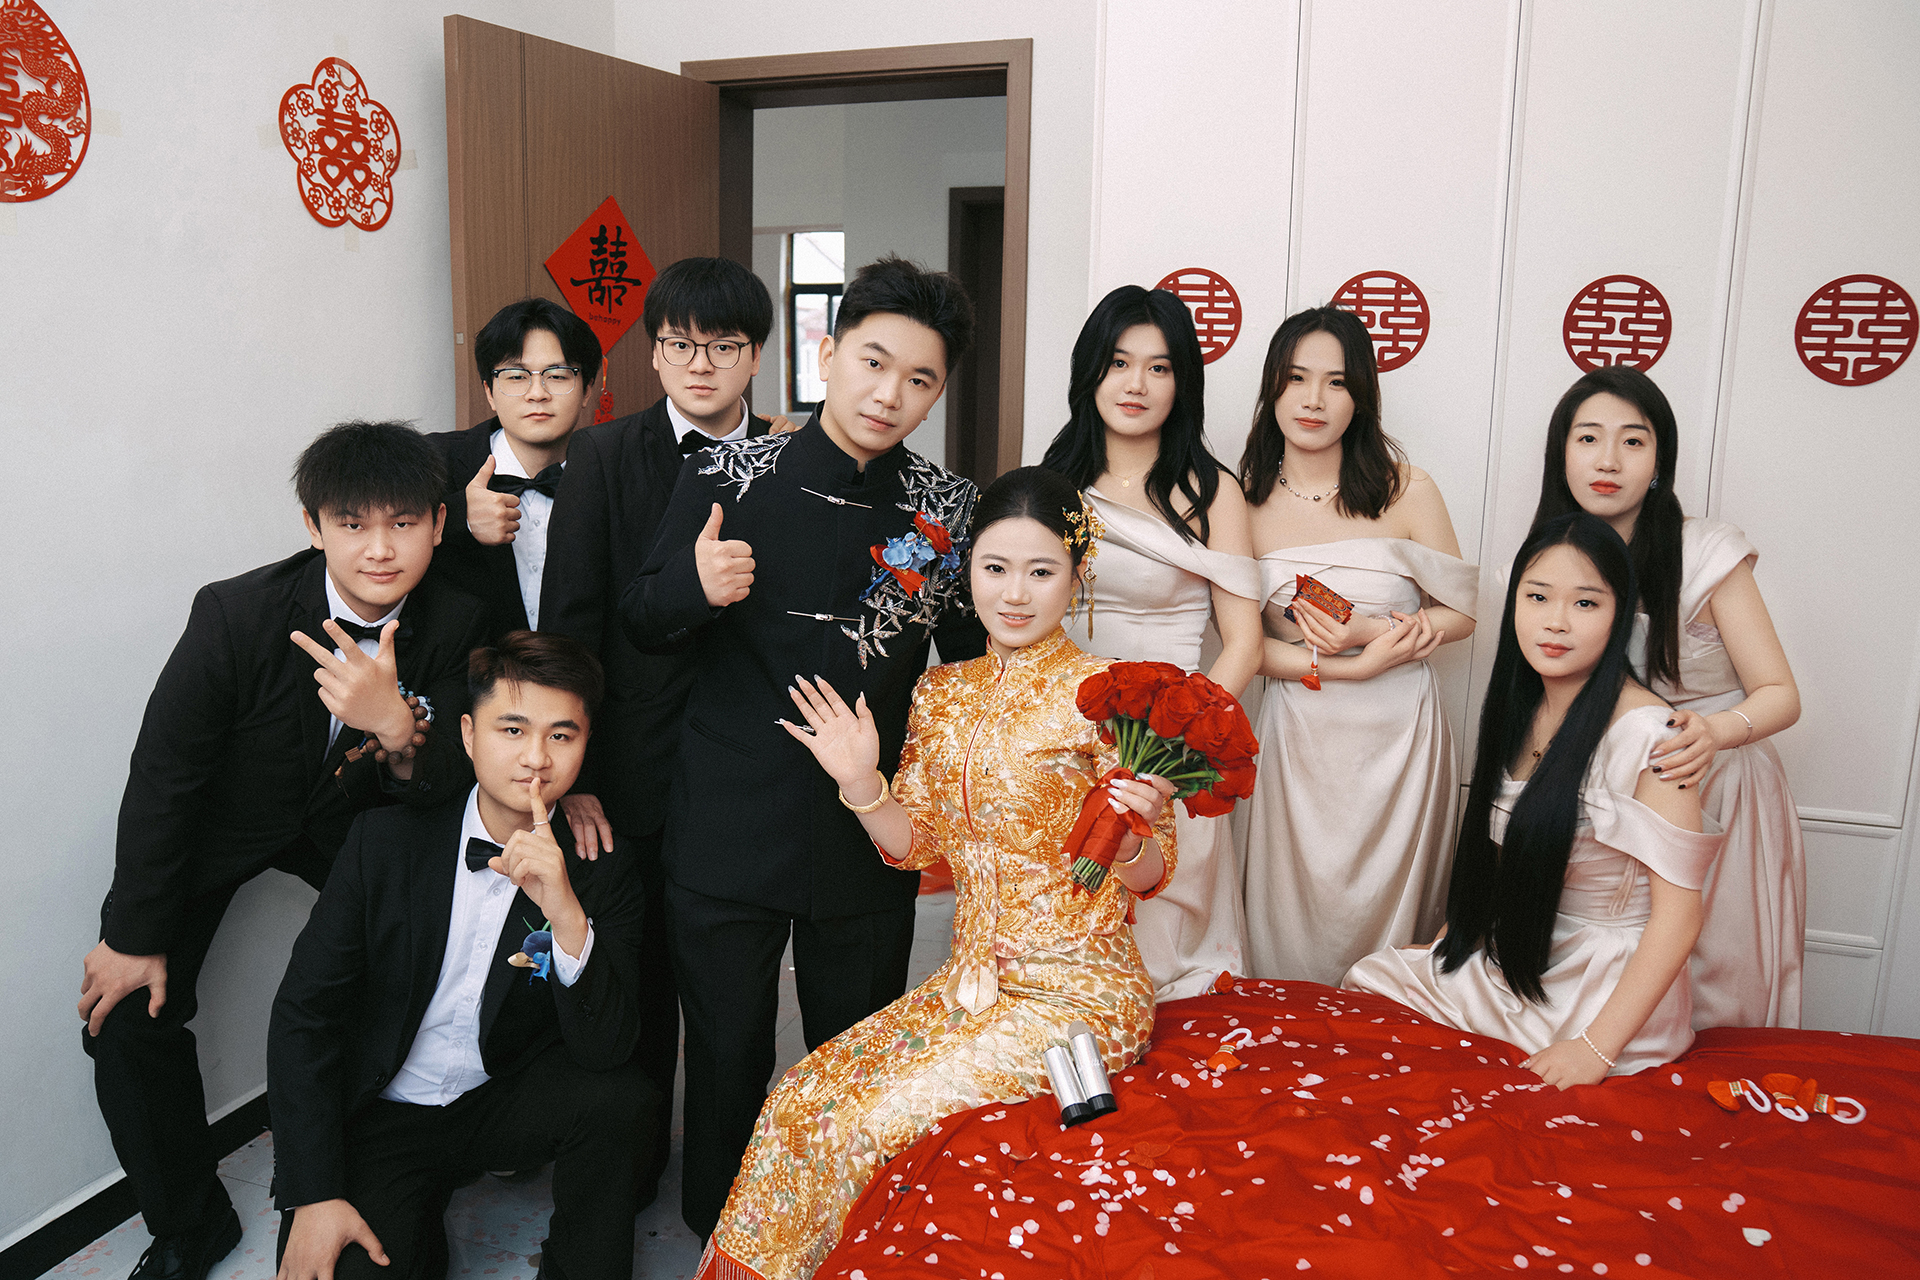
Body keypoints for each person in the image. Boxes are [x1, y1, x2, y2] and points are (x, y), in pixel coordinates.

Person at [699, 466, 1178, 1280]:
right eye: (995, 568)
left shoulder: (1113, 696)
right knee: (801, 1094)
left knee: (867, 1126)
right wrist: (860, 781)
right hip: (968, 984)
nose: (1015, 594)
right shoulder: (942, 693)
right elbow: (914, 847)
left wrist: (1130, 833)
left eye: (1041, 570)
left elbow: (1151, 876)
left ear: (1077, 575)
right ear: (968, 574)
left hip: (1079, 995)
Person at [619, 254, 989, 1239]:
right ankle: (721, 1229)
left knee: (853, 1052)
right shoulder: (725, 472)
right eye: (874, 362)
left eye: (920, 378)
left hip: (861, 828)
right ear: (828, 354)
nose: (890, 394)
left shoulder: (948, 508)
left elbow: (969, 665)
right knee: (726, 1049)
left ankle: (836, 1226)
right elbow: (641, 619)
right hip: (726, 821)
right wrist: (693, 586)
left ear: (938, 393)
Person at [78, 421, 487, 1280]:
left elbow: (455, 770)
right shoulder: (235, 612)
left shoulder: (459, 618)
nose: (380, 549)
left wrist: (399, 727)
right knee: (124, 1011)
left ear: (439, 525)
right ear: (312, 526)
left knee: (404, 972)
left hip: (362, 828)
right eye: (352, 524)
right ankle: (189, 1225)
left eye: (404, 523)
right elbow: (166, 773)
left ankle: (380, 1177)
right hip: (224, 828)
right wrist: (133, 933)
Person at [269, 632, 649, 1280]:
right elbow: (304, 1016)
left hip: (498, 1091)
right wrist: (313, 1193)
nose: (536, 758)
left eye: (561, 735)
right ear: (469, 736)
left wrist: (565, 912)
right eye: (512, 730)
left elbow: (608, 1051)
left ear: (586, 745)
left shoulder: (600, 864)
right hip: (387, 1109)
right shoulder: (383, 841)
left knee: (623, 1100)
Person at [539, 257, 789, 1206]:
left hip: (747, 764)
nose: (701, 365)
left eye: (724, 347)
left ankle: (725, 1190)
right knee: (637, 976)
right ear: (652, 354)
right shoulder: (602, 457)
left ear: (756, 356)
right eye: (681, 345)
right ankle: (632, 1165)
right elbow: (570, 625)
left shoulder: (789, 459)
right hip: (631, 767)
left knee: (730, 995)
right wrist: (576, 776)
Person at [1346, 513, 1723, 1085]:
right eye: (1538, 596)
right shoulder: (1523, 708)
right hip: (1525, 955)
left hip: (1603, 988)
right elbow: (1500, 865)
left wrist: (1593, 1051)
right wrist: (1447, 948)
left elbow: (1680, 917)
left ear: (1621, 614)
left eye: (1586, 603)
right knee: (1373, 979)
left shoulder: (1654, 737)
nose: (1555, 622)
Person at [1529, 365, 1804, 1029]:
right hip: (1610, 789)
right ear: (1562, 453)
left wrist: (1713, 732)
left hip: (1715, 779)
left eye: (1633, 441)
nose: (1608, 460)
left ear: (1659, 461)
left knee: (1716, 975)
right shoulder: (1553, 553)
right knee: (1614, 972)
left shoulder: (1706, 551)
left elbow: (1781, 694)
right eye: (1588, 438)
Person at [1238, 306, 1479, 984]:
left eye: (1336, 382)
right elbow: (1245, 646)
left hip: (1400, 732)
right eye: (1296, 378)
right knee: (1293, 915)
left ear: (1361, 396)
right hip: (1299, 730)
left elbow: (1462, 614)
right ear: (1272, 387)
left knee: (1389, 915)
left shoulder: (1408, 489)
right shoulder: (1242, 502)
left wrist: (1369, 634)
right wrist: (1342, 665)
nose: (1313, 400)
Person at [1040, 284, 1261, 999]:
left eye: (1159, 367)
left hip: (1164, 748)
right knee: (1066, 953)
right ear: (1091, 371)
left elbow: (1245, 643)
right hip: (1065, 737)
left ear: (1182, 381)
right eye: (1119, 363)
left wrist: (1177, 748)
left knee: (1162, 962)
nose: (1135, 384)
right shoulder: (1054, 483)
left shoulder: (1210, 491)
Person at [423, 297, 604, 640]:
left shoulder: (614, 470)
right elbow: (359, 543)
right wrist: (459, 516)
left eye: (557, 375)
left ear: (587, 390)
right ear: (489, 392)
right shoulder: (431, 461)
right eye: (517, 376)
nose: (537, 393)